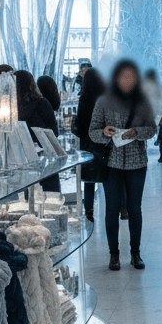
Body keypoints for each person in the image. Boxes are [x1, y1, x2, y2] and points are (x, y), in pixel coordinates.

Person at [89, 60, 157, 270]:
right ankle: (114, 254)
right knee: (111, 209)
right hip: (112, 163)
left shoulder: (143, 102)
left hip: (137, 163)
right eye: (123, 76)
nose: (127, 80)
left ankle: (136, 253)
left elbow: (152, 129)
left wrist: (136, 132)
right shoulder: (103, 101)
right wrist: (104, 133)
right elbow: (92, 132)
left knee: (135, 209)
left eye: (131, 76)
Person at [72, 68, 106, 221]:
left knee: (89, 179)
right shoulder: (105, 98)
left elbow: (80, 124)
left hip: (87, 143)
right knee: (107, 176)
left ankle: (89, 211)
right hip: (104, 141)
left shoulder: (84, 99)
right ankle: (117, 207)